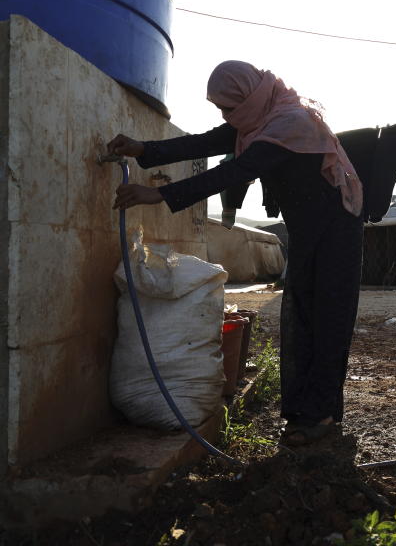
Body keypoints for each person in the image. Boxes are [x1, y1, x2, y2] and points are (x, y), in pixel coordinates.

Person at [108, 60, 363, 445]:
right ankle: (308, 412)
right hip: (310, 231)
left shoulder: (290, 124)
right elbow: (205, 142)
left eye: (229, 108)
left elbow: (234, 172)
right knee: (303, 315)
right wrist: (143, 149)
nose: (227, 117)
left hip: (336, 232)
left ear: (249, 97)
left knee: (327, 318)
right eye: (223, 110)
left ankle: (319, 416)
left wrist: (158, 194)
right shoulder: (260, 119)